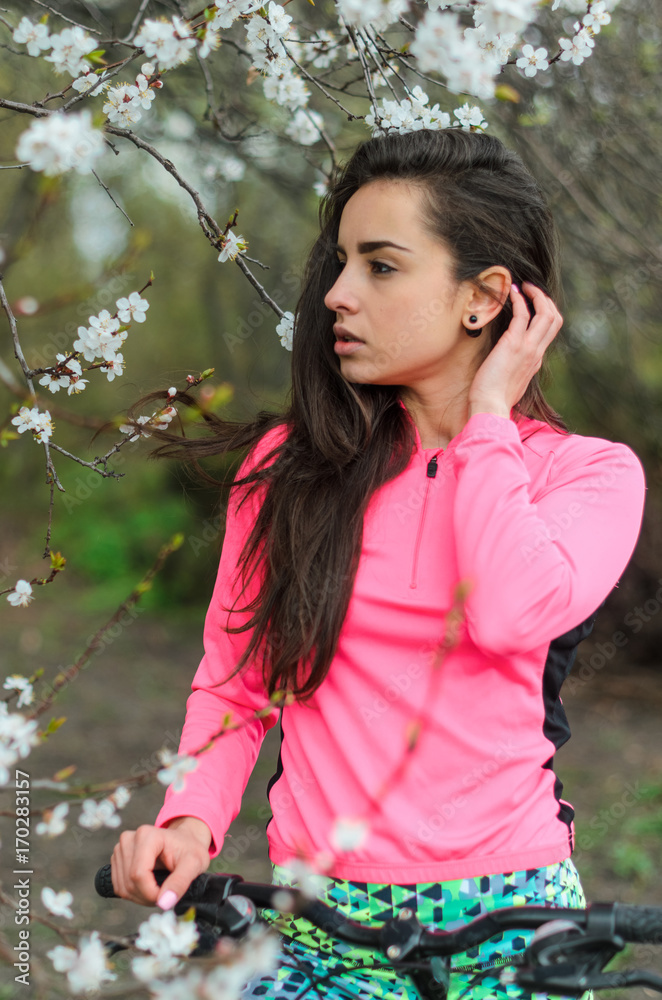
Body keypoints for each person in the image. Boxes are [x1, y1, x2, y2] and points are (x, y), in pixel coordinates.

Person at [110, 128, 647, 1000]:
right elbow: (237, 684)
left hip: (512, 920)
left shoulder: (586, 474)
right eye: (341, 262)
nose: (337, 293)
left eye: (381, 266)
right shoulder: (288, 471)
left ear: (484, 299)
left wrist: (487, 419)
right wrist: (190, 820)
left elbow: (508, 614)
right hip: (317, 924)